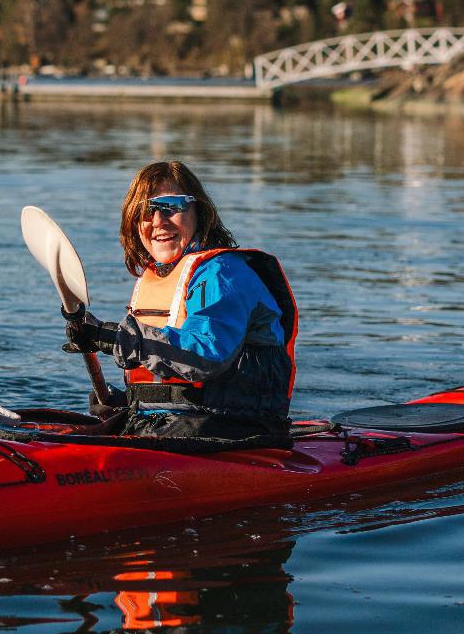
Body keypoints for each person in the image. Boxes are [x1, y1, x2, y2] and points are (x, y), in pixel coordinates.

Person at [63, 161, 298, 443]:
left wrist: (114, 338)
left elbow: (204, 354)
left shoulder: (223, 273)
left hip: (235, 430)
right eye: (146, 211)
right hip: (179, 425)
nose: (159, 221)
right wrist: (130, 402)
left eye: (172, 205)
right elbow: (177, 385)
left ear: (200, 212)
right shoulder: (164, 275)